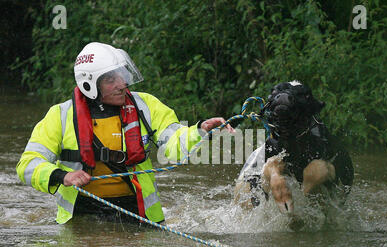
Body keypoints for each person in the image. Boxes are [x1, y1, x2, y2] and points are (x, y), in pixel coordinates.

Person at [16, 42, 234, 225]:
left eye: (121, 75)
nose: (122, 84)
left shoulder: (146, 106)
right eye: (111, 79)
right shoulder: (60, 116)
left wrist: (200, 130)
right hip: (81, 218)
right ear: (89, 84)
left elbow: (174, 145)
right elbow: (28, 165)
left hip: (141, 216)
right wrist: (63, 176)